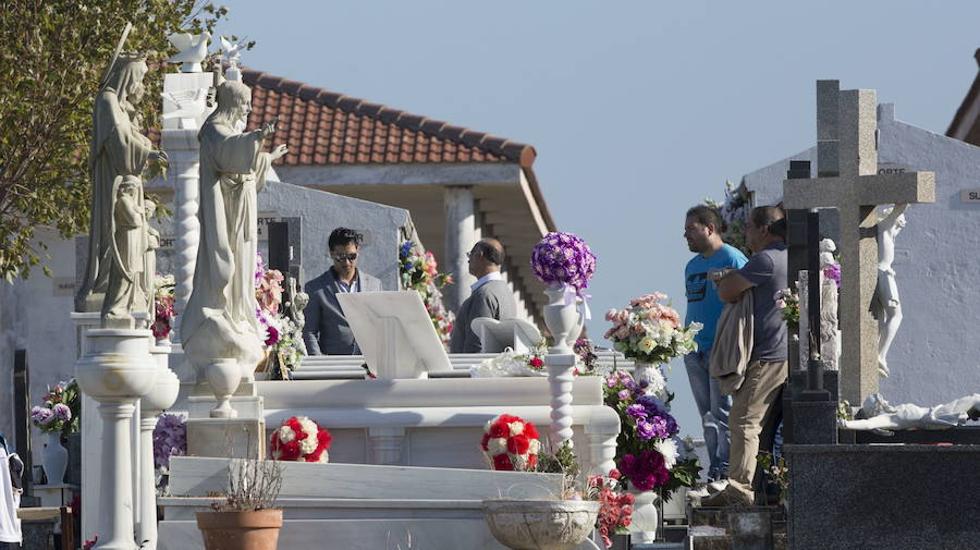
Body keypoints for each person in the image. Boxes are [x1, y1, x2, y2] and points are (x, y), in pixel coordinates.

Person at [180, 79, 289, 372]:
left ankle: (237, 314)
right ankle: (221, 312)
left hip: (239, 214)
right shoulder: (214, 130)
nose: (249, 109)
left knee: (241, 268)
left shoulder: (228, 132)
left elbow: (244, 162)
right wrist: (257, 137)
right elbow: (230, 155)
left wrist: (266, 156)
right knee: (227, 269)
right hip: (225, 217)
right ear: (230, 103)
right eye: (244, 104)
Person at [703, 205, 788, 507]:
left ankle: (740, 489)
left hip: (767, 355)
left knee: (744, 420)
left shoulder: (765, 259)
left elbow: (727, 291)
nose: (746, 233)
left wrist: (726, 279)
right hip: (780, 353)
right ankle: (758, 486)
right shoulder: (784, 256)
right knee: (758, 426)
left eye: (750, 227)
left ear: (764, 229)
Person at [682, 205, 748, 483]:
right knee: (707, 415)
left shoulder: (733, 259)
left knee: (723, 413)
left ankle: (724, 470)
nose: (686, 236)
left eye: (691, 230)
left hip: (721, 348)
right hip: (694, 349)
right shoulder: (692, 266)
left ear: (709, 228)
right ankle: (715, 468)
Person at [303, 228, 383, 355]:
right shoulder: (315, 288)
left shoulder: (374, 285)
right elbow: (309, 332)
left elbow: (380, 326)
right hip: (333, 364)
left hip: (369, 362)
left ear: (358, 250)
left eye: (352, 256)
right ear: (331, 253)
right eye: (340, 257)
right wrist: (319, 364)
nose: (347, 262)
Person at [449, 238, 517, 353]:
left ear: (479, 255)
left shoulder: (484, 294)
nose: (468, 260)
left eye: (470, 255)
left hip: (467, 369)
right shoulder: (506, 293)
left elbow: (475, 346)